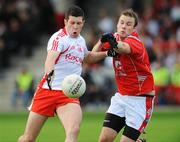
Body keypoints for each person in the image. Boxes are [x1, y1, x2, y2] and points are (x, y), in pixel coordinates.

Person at [18, 5, 107, 142]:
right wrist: (50, 73)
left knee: (73, 130)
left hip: (68, 93)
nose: (75, 27)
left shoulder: (81, 41)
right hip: (47, 91)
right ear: (65, 22)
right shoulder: (58, 38)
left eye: (78, 23)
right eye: (72, 23)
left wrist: (107, 53)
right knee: (28, 138)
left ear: (83, 23)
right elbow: (50, 59)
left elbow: (88, 58)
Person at [93, 9, 155, 142]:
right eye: (121, 22)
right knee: (104, 139)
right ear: (116, 24)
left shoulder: (135, 42)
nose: (123, 26)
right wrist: (100, 40)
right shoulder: (114, 38)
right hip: (121, 98)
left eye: (128, 24)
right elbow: (90, 58)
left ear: (133, 28)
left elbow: (124, 48)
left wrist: (112, 44)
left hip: (141, 101)